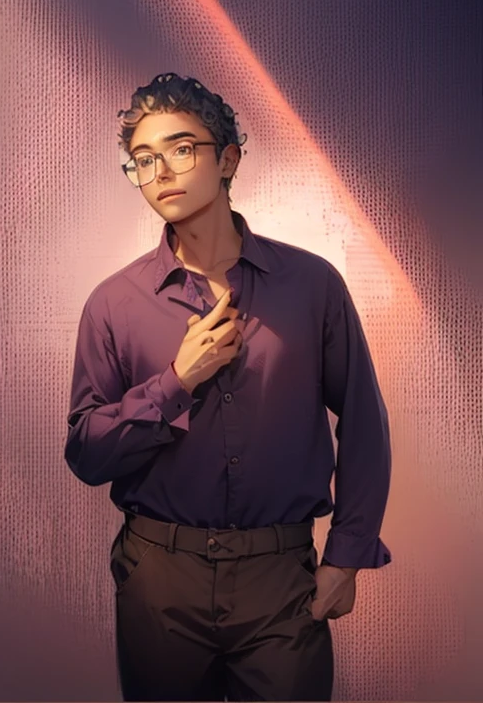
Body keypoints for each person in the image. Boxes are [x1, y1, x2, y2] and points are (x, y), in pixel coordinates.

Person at [64, 72, 392, 702]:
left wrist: (346, 556)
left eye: (182, 149)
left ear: (229, 158)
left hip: (281, 579)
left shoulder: (311, 284)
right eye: (143, 159)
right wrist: (176, 382)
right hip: (159, 577)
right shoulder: (113, 302)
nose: (161, 171)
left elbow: (364, 421)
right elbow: (86, 454)